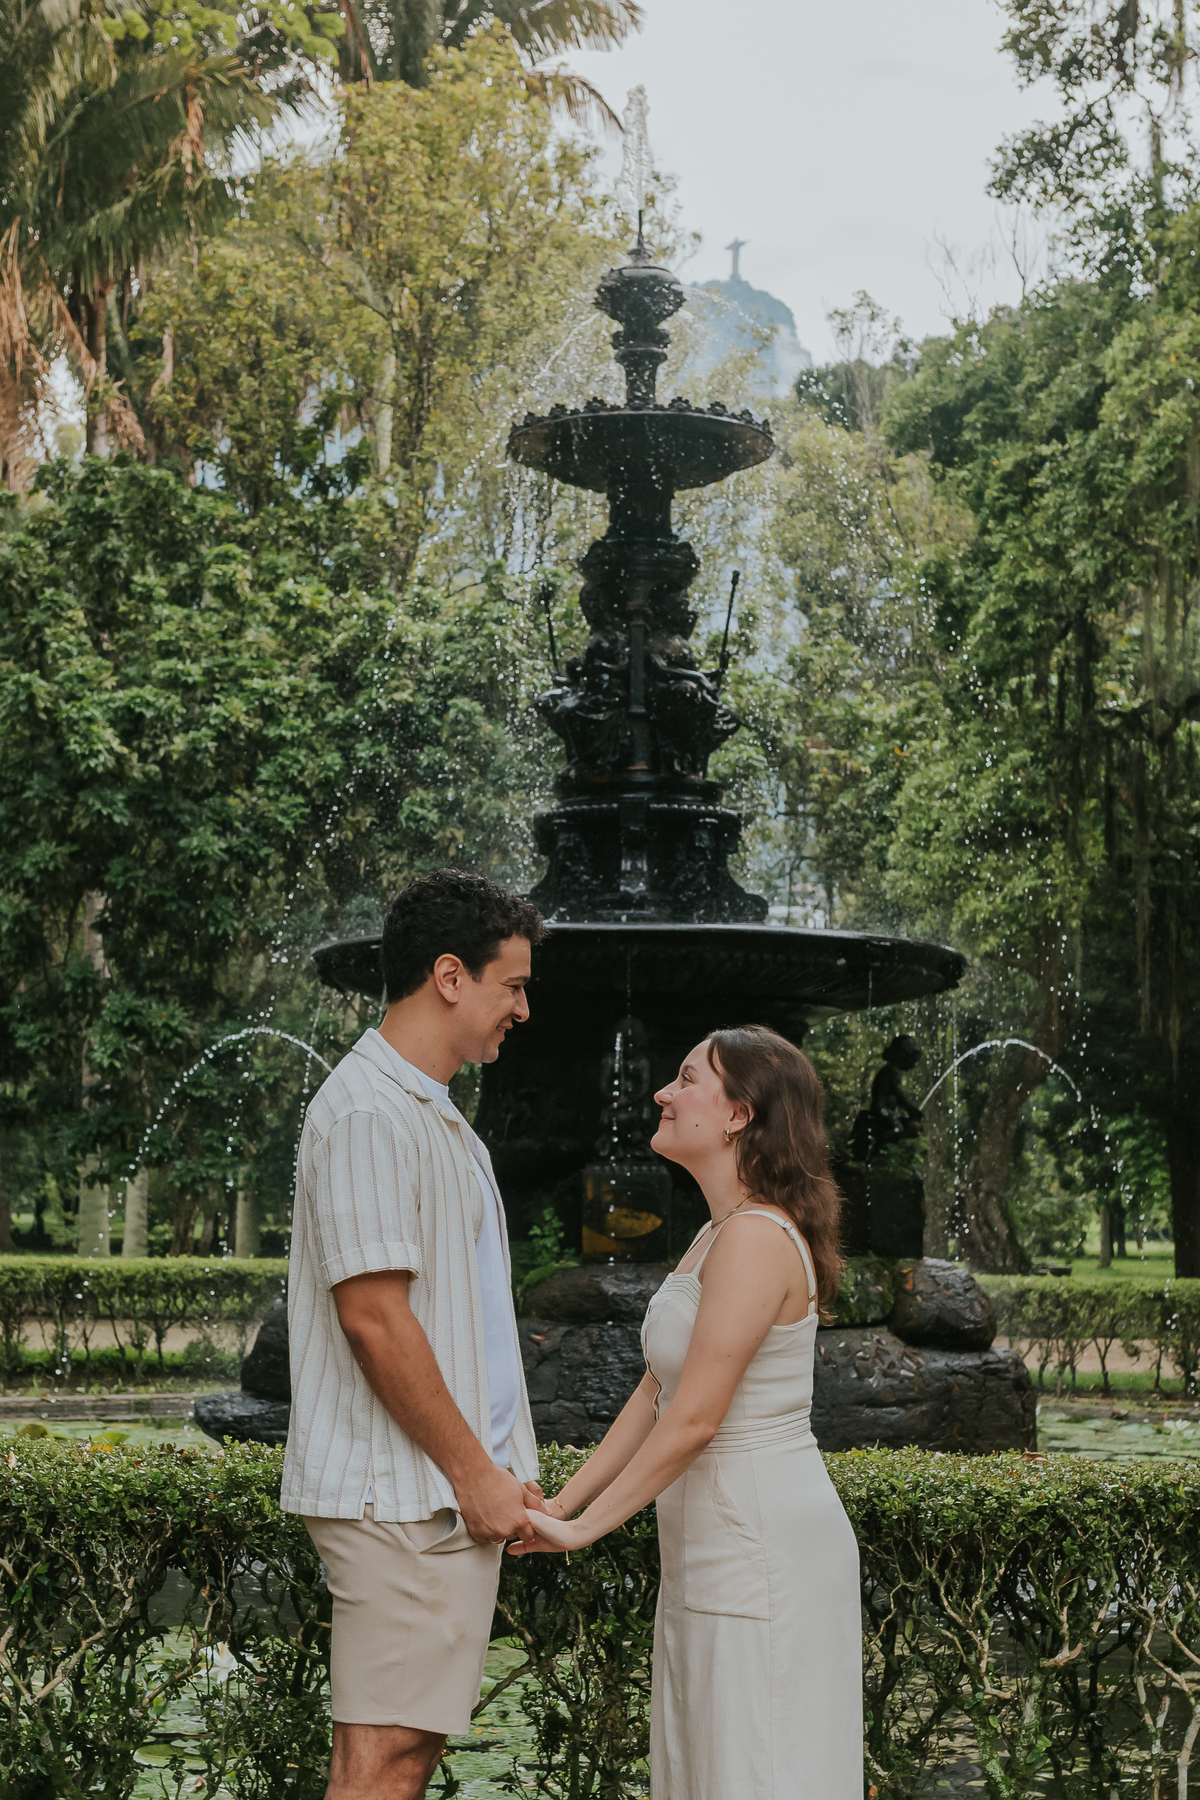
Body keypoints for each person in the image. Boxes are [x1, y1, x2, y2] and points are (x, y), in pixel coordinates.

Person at [512, 1024, 863, 1799]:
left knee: (756, 1767)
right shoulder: (716, 1234)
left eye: (686, 1079)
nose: (664, 1094)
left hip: (758, 1543)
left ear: (739, 1113)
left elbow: (697, 1419)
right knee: (706, 1763)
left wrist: (580, 1533)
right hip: (706, 1543)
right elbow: (655, 1392)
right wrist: (565, 1501)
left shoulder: (757, 1239)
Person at [281, 869, 550, 1800]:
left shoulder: (435, 1117)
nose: (522, 1006)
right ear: (449, 976)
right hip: (400, 1497)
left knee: (405, 1752)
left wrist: (502, 1458)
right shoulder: (365, 1113)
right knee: (384, 1760)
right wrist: (474, 1472)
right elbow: (373, 1316)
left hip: (435, 1494)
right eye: (511, 984)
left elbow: (460, 1315)